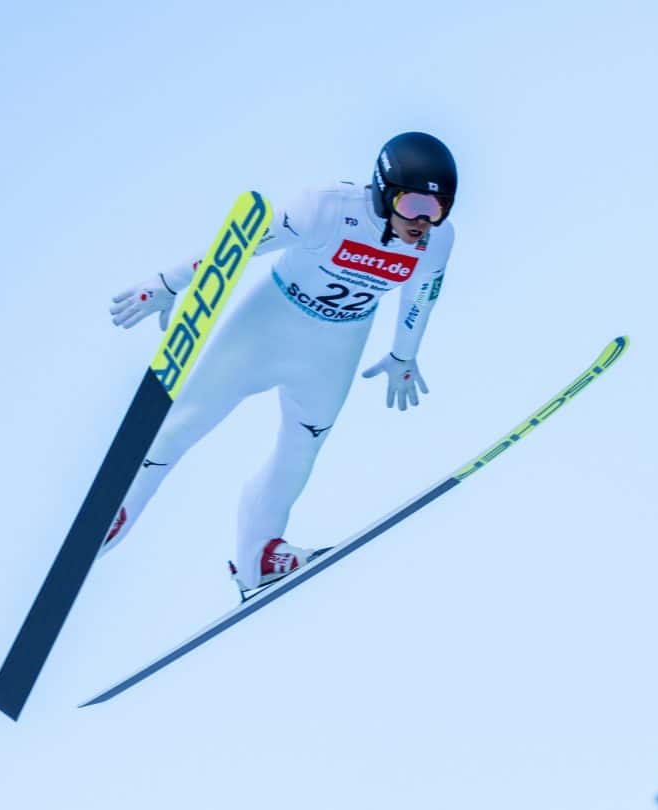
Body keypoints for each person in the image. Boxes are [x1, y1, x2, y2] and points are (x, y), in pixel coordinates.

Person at [98, 131, 458, 592]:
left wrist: (404, 355)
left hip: (336, 349)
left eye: (439, 208)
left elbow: (421, 295)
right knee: (182, 425)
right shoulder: (327, 208)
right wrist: (169, 283)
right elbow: (244, 242)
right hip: (268, 327)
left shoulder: (437, 241)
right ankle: (112, 517)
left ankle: (260, 556)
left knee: (301, 449)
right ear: (385, 190)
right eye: (412, 206)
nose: (424, 221)